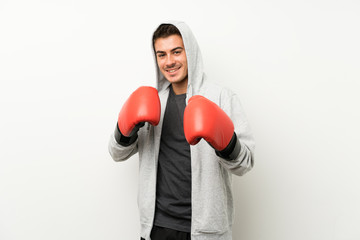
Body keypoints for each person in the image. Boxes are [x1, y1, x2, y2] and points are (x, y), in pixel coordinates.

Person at [108, 21, 255, 240]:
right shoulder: (152, 102)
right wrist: (125, 127)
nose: (169, 62)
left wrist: (225, 143)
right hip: (156, 227)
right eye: (162, 54)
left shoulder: (221, 97)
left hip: (206, 231)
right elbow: (116, 153)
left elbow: (245, 164)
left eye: (176, 52)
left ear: (191, 53)